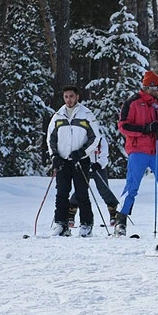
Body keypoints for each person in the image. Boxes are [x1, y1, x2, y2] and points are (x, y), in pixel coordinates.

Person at [115, 71, 158, 237]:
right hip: (138, 151)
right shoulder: (132, 103)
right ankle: (121, 221)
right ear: (149, 87)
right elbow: (123, 126)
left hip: (157, 151)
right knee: (132, 186)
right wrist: (144, 129)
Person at [46, 85, 100, 237]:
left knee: (82, 193)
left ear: (77, 97)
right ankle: (61, 224)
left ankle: (86, 224)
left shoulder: (86, 114)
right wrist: (54, 156)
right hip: (62, 160)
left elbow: (95, 138)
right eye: (66, 97)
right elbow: (51, 138)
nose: (69, 99)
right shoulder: (58, 116)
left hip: (80, 160)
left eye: (71, 96)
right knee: (61, 193)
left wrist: (82, 152)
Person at [68, 136, 119, 226]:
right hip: (84, 166)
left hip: (97, 167)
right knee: (81, 189)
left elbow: (104, 156)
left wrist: (99, 164)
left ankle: (113, 212)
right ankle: (71, 213)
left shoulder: (101, 140)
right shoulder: (82, 138)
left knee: (103, 189)